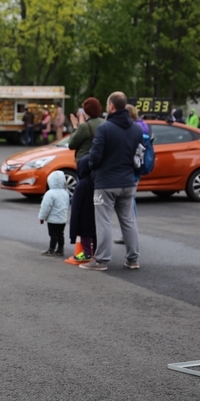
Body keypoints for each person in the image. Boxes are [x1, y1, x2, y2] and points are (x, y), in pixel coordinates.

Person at [80, 92, 142, 271]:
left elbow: (95, 156)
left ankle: (101, 260)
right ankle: (132, 259)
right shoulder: (136, 129)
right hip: (128, 181)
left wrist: (92, 168)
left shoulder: (105, 128)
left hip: (106, 182)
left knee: (104, 220)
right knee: (128, 220)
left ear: (111, 106)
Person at [39, 170, 69, 256]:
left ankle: (51, 249)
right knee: (61, 234)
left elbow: (45, 207)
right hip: (62, 219)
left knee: (53, 235)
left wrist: (42, 217)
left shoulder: (50, 194)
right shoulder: (65, 193)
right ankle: (60, 249)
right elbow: (66, 205)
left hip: (53, 219)